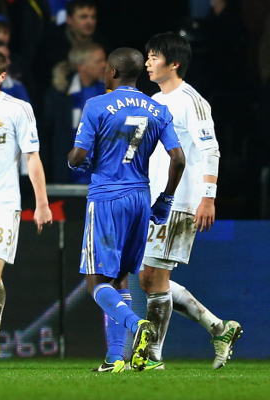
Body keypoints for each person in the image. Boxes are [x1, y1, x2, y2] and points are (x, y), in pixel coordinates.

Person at [67, 47, 186, 373]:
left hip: (107, 197)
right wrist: (165, 200)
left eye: (107, 70)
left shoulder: (97, 105)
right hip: (139, 199)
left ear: (114, 73)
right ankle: (115, 358)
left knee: (96, 283)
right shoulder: (157, 108)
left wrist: (76, 161)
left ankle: (137, 326)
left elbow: (78, 157)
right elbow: (178, 159)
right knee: (119, 280)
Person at [139, 32, 242, 370]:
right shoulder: (155, 100)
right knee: (149, 278)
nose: (148, 62)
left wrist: (207, 199)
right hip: (155, 200)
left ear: (174, 63)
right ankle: (218, 328)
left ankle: (152, 355)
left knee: (154, 276)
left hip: (181, 201)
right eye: (148, 56)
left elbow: (209, 150)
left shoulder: (191, 100)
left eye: (154, 56)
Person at [0, 48, 53, 367]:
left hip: (2, 203)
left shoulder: (18, 109)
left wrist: (41, 203)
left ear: (2, 77)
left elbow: (31, 157)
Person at [44, 41, 106, 183]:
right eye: (98, 61)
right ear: (81, 66)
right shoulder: (58, 95)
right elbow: (49, 135)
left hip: (103, 174)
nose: (104, 65)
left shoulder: (111, 92)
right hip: (66, 173)